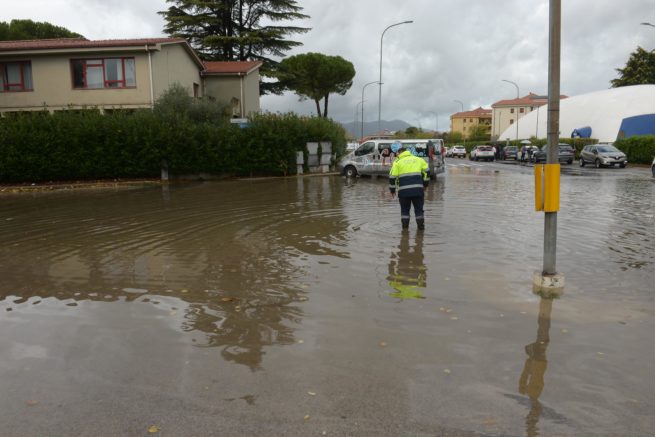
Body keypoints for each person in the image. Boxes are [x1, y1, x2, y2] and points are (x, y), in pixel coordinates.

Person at [389, 142, 430, 230]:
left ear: (399, 153)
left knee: (404, 211)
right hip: (418, 190)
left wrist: (392, 190)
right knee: (419, 210)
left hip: (404, 192)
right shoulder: (418, 159)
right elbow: (427, 172)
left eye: (397, 154)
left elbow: (392, 177)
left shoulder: (397, 162)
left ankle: (405, 231)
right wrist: (425, 185)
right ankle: (421, 231)